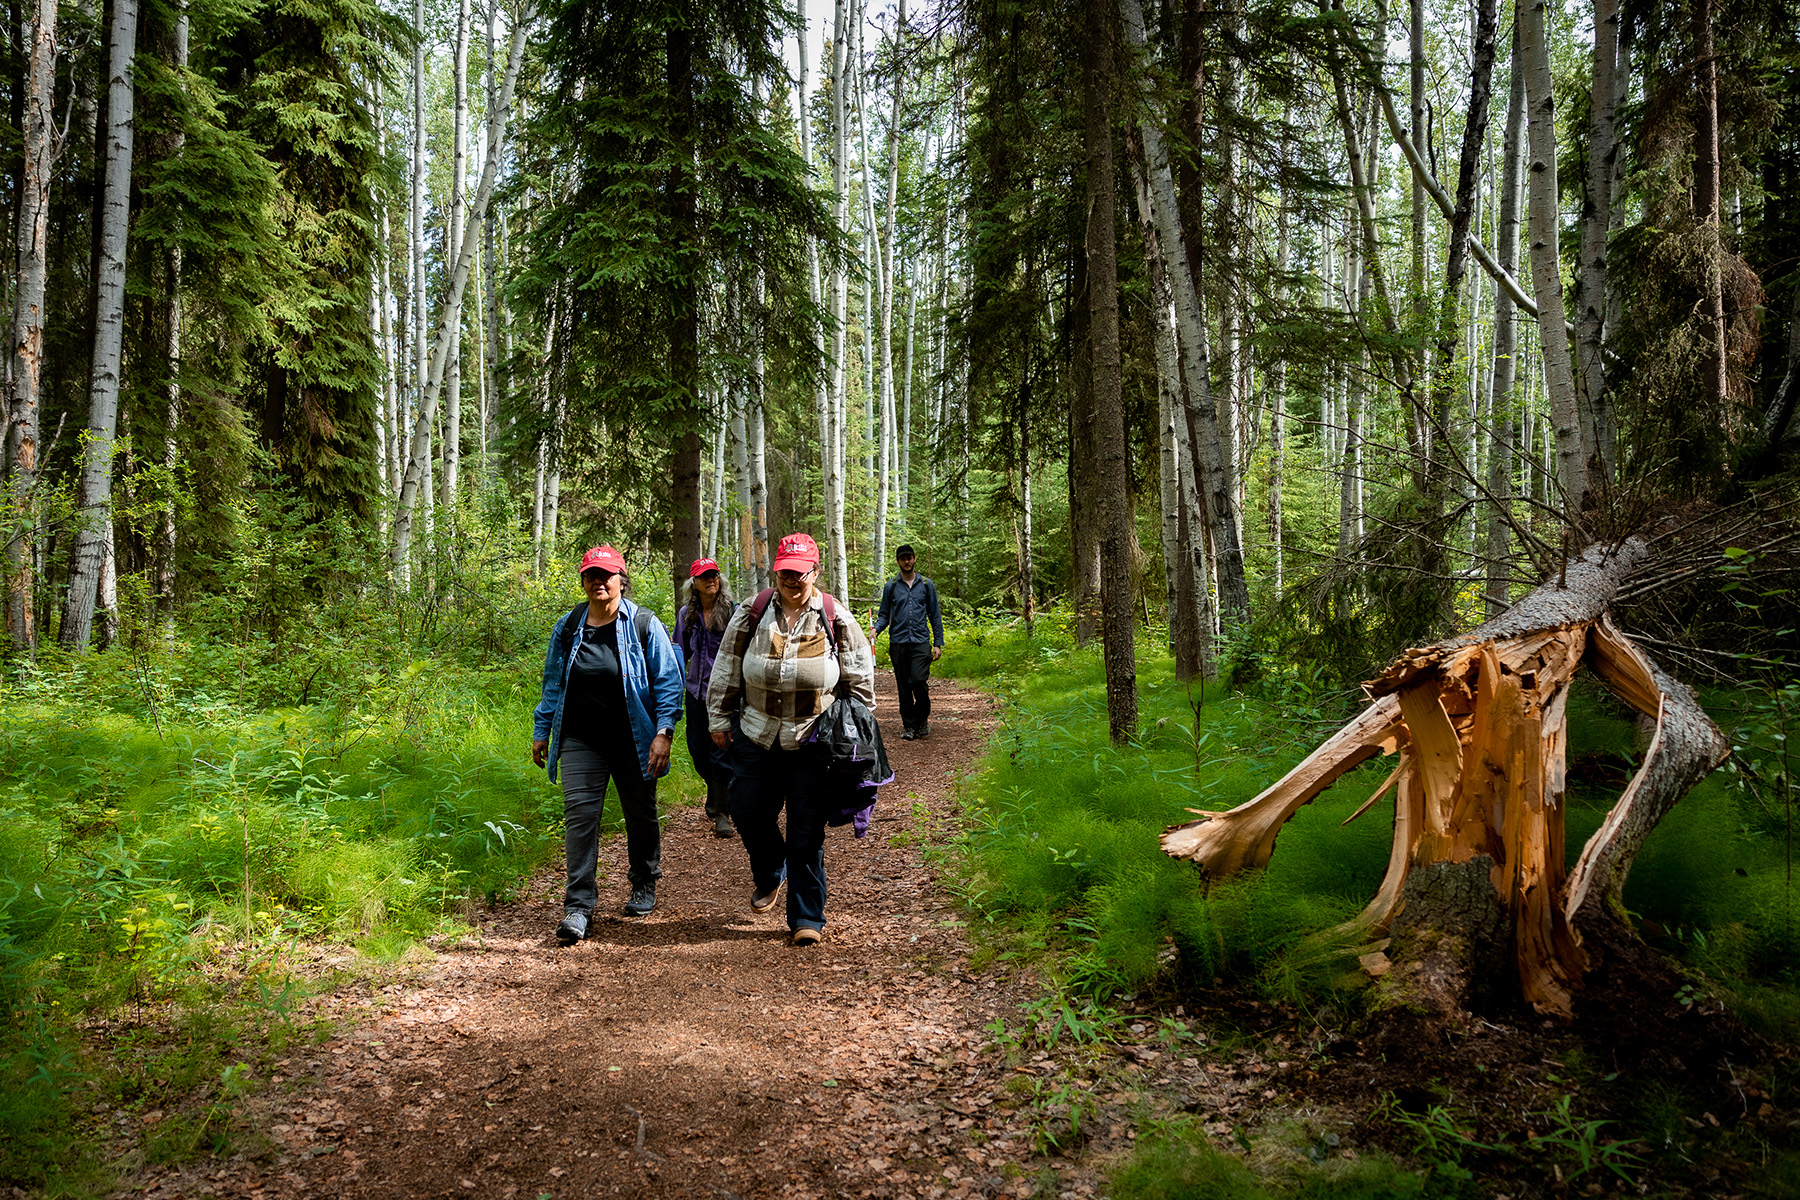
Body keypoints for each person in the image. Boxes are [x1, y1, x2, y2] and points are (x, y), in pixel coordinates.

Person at [705, 532, 876, 947]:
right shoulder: (752, 612)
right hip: (755, 732)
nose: (792, 580)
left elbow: (861, 684)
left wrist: (851, 734)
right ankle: (770, 872)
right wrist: (718, 716)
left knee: (805, 830)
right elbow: (727, 664)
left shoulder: (836, 617)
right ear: (775, 571)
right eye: (785, 572)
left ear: (815, 572)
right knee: (747, 812)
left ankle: (806, 916)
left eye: (800, 573)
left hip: (812, 741)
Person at [532, 545, 684, 943]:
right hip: (581, 738)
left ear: (621, 579)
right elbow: (553, 683)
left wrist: (663, 732)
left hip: (634, 738)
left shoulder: (644, 625)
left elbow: (669, 682)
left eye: (607, 575)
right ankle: (578, 906)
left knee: (639, 812)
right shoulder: (568, 627)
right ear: (583, 581)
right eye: (591, 575)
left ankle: (643, 880)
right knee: (581, 817)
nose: (599, 581)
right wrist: (542, 728)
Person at [674, 557, 737, 838]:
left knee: (720, 752)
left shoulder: (733, 613)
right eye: (704, 577)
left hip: (724, 695)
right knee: (698, 752)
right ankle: (715, 791)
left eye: (714, 575)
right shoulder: (687, 613)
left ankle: (722, 813)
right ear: (694, 584)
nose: (711, 580)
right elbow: (679, 652)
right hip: (695, 693)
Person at [872, 543, 944, 740]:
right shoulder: (891, 586)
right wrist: (875, 630)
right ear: (898, 561)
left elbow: (934, 615)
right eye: (903, 558)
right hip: (899, 642)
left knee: (918, 680)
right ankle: (909, 726)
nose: (907, 561)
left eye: (909, 557)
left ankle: (922, 719)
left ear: (914, 559)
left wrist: (938, 643)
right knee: (903, 686)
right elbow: (884, 615)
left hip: (921, 641)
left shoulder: (927, 585)